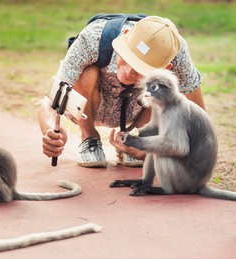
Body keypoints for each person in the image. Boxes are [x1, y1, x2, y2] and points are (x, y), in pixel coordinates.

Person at [38, 16, 205, 168]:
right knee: (87, 72)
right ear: (123, 35)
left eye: (140, 69)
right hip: (88, 107)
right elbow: (51, 100)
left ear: (165, 67)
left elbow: (199, 124)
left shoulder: (176, 55)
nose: (128, 73)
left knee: (164, 84)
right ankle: (89, 138)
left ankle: (137, 136)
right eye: (127, 58)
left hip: (138, 108)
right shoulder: (93, 37)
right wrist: (50, 131)